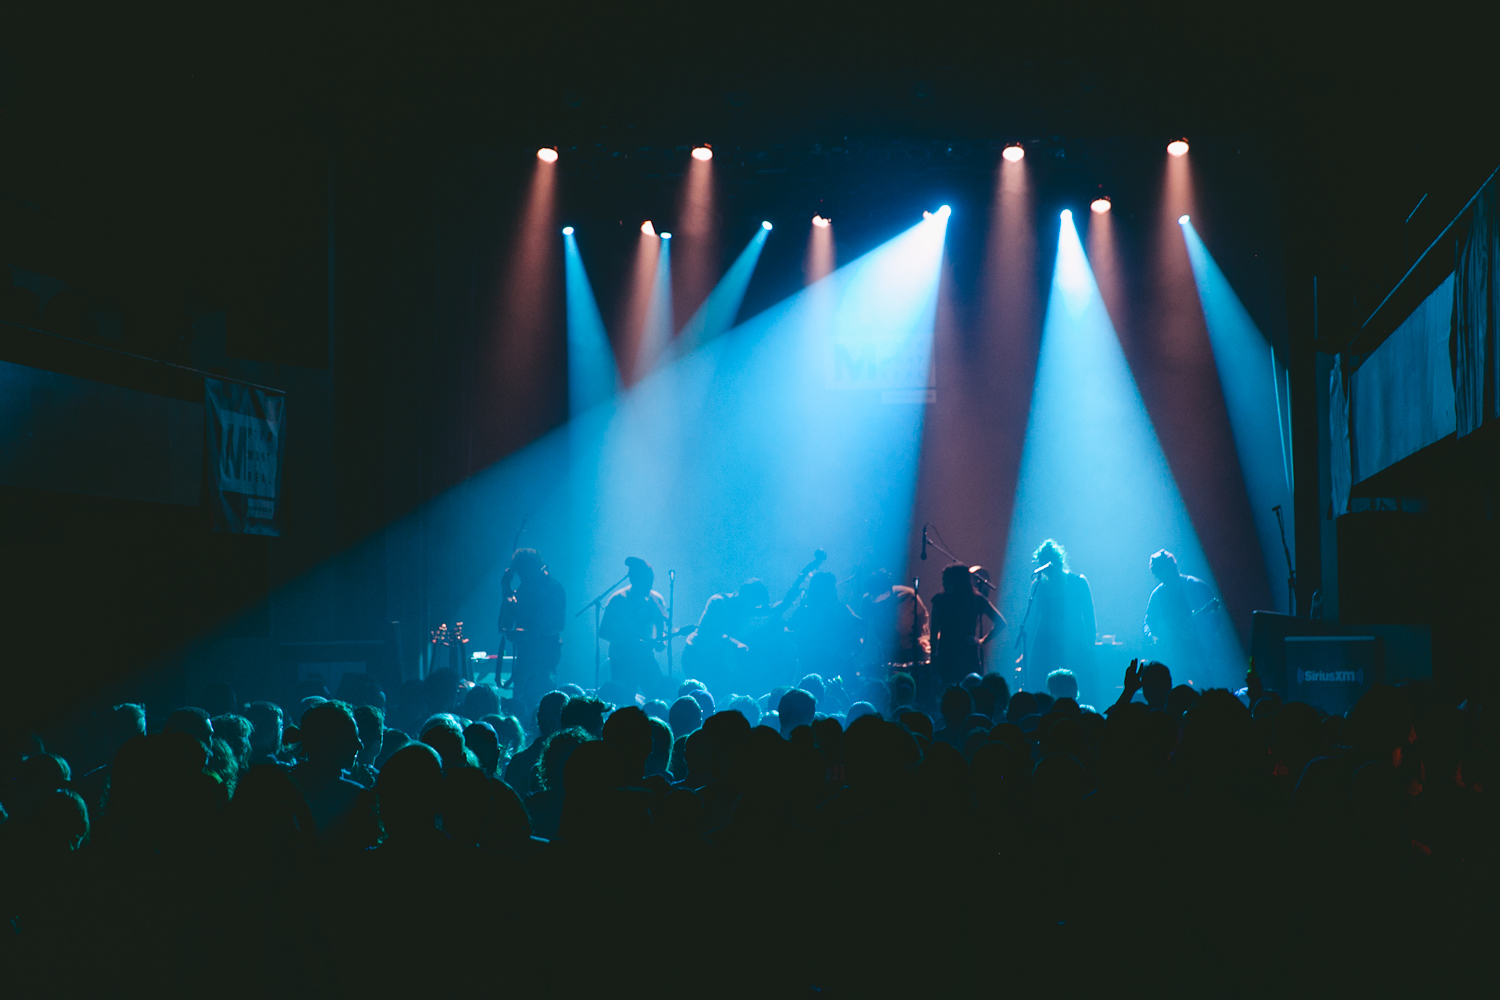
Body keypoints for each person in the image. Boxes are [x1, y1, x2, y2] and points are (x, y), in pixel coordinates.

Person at [498, 547, 567, 725]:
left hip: (544, 653)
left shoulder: (552, 587)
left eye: (521, 571)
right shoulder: (524, 587)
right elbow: (510, 615)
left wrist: (527, 634)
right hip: (526, 653)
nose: (520, 575)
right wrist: (506, 589)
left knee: (541, 699)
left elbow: (557, 624)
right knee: (522, 700)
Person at [1025, 539, 1095, 689]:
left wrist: (1090, 648)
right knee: (1042, 687)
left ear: (1057, 562)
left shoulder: (1078, 582)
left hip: (1072, 644)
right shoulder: (1038, 586)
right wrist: (1026, 652)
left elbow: (1090, 619)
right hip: (1044, 645)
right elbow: (1031, 621)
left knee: (1071, 686)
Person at [929, 564, 1005, 692]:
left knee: (948, 696)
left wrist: (933, 658)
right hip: (967, 655)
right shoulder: (976, 600)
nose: (943, 584)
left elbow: (933, 632)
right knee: (972, 694)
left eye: (946, 580)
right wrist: (981, 641)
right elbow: (1001, 623)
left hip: (947, 655)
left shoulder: (940, 601)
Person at [1143, 549, 1217, 681]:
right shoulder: (1157, 595)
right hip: (1174, 657)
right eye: (1161, 573)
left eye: (1168, 570)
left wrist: (1198, 627)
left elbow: (1216, 618)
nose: (1166, 576)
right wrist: (1152, 638)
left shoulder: (1196, 587)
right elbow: (1148, 622)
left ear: (1174, 567)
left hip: (1201, 654)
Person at [598, 557, 668, 695]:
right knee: (624, 699)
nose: (649, 585)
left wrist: (661, 640)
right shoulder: (618, 599)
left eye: (651, 580)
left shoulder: (656, 599)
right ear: (634, 579)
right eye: (645, 581)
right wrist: (630, 640)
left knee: (657, 695)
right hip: (621, 659)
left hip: (645, 657)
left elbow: (661, 628)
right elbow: (604, 631)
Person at [788, 571, 863, 677]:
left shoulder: (808, 608)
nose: (835, 591)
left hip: (824, 665)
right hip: (827, 664)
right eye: (833, 588)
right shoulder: (807, 609)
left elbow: (789, 627)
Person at [859, 568, 930, 671]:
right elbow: (862, 623)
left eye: (879, 595)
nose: (875, 598)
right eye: (873, 595)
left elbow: (922, 615)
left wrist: (923, 637)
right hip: (886, 648)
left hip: (910, 647)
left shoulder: (908, 595)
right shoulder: (867, 601)